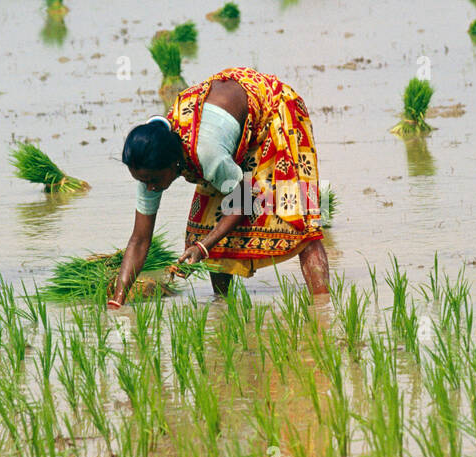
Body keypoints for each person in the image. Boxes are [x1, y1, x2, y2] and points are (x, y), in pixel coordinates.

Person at [110, 67, 329, 306]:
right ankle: (222, 307)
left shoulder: (207, 154)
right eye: (143, 182)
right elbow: (139, 240)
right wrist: (118, 301)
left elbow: (245, 199)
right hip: (232, 129)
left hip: (275, 111)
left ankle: (323, 306)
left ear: (174, 164)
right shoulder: (148, 166)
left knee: (299, 219)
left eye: (153, 181)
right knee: (208, 221)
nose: (150, 188)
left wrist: (203, 247)